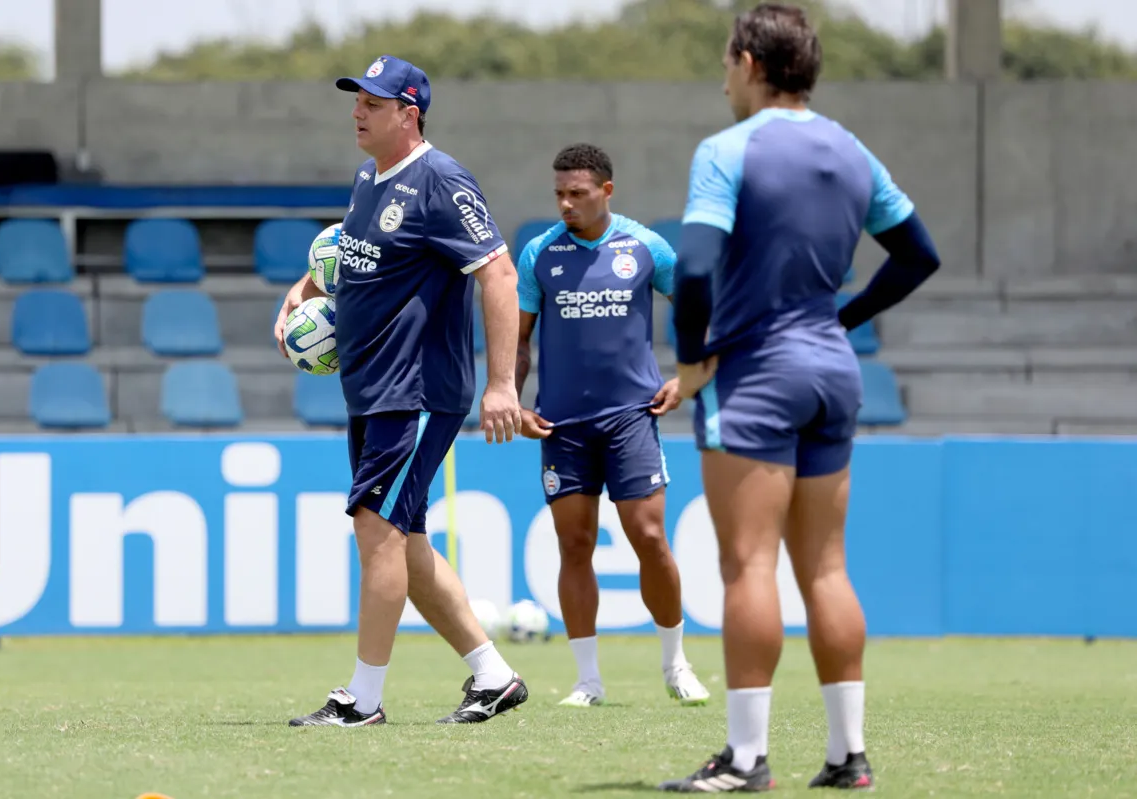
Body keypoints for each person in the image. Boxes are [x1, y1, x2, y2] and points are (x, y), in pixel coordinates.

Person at [657, 4, 940, 793]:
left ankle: (745, 760)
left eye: (725, 63)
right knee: (826, 566)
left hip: (756, 373)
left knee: (749, 564)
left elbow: (693, 271)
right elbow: (919, 254)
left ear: (750, 61)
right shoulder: (851, 150)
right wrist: (839, 319)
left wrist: (688, 363)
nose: (722, 79)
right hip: (831, 369)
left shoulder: (727, 151)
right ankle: (849, 757)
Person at [274, 54, 529, 728]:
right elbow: (348, 260)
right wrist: (302, 294)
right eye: (356, 99)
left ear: (409, 114)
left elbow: (498, 275)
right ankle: (493, 675)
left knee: (378, 532)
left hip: (414, 391)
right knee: (406, 540)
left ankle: (363, 700)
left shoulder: (440, 179)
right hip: (371, 388)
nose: (358, 111)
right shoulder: (368, 177)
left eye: (373, 103)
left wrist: (502, 384)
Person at [515, 143, 711, 709]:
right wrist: (514, 399)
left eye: (576, 193)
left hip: (631, 418)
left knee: (649, 538)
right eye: (558, 194)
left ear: (606, 190)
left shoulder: (646, 247)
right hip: (561, 424)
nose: (565, 204)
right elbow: (520, 341)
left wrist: (687, 379)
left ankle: (676, 664)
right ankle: (587, 681)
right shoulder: (539, 253)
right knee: (573, 544)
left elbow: (697, 312)